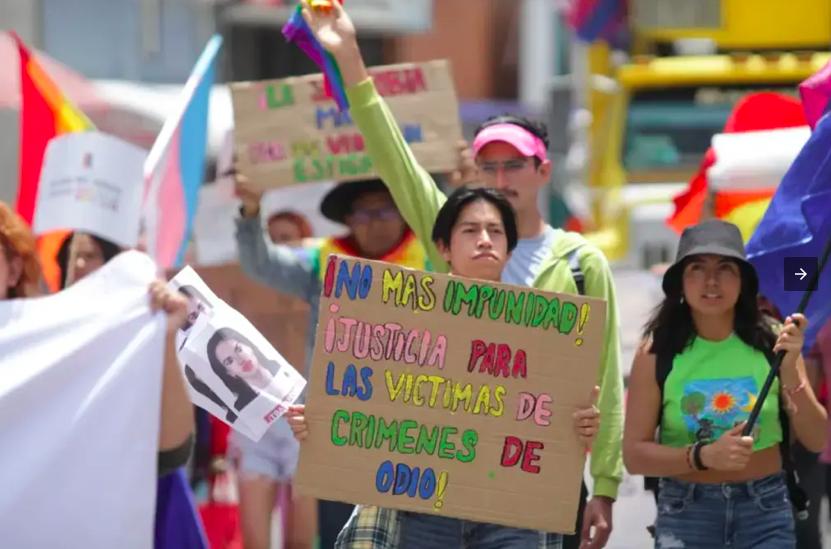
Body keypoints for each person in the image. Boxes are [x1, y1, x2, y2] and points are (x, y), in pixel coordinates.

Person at [295, 3, 624, 548]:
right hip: (436, 491)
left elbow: (606, 378)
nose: (501, 177)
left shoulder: (578, 264)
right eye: (487, 166)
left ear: (542, 170)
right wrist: (350, 56)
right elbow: (392, 155)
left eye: (513, 164)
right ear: (445, 243)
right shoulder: (442, 231)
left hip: (530, 486)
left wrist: (607, 486)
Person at [287, 185, 602, 547]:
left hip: (512, 516)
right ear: (444, 248)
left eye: (495, 231)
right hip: (422, 516)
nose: (484, 240)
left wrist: (580, 427)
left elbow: (553, 428)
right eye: (470, 230)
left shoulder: (550, 330)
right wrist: (319, 424)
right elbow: (364, 415)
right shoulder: (401, 323)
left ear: (509, 248)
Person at [233, 173, 431, 549]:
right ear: (348, 220)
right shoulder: (321, 263)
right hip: (336, 434)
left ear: (404, 214)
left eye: (385, 209)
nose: (373, 220)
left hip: (407, 435)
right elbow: (261, 265)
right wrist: (251, 212)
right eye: (362, 212)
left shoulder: (433, 260)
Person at [623, 219, 827, 549]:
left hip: (765, 510)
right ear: (681, 282)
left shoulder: (774, 342)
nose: (712, 280)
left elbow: (817, 438)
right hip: (686, 513)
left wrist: (791, 373)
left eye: (726, 267)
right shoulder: (656, 352)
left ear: (743, 280)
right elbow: (634, 455)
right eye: (697, 268)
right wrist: (703, 456)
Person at [2, 203, 195, 474]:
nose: (80, 264)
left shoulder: (52, 351)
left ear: (12, 270)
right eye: (74, 255)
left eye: (90, 255)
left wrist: (164, 339)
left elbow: (169, 452)